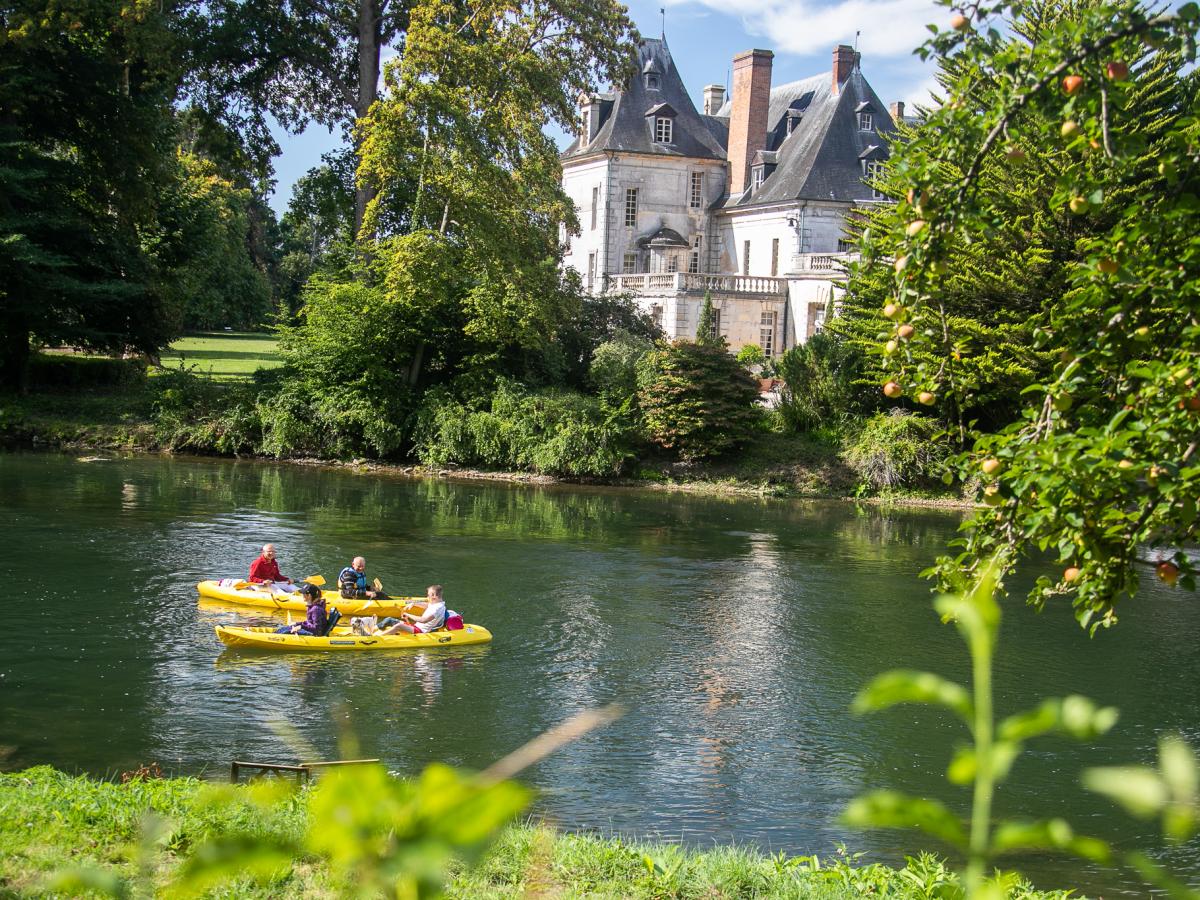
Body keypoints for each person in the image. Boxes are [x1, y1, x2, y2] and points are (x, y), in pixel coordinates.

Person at [378, 585, 446, 635]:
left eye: (428, 595)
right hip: (415, 626)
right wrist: (414, 603)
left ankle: (378, 638)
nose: (427, 597)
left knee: (398, 626)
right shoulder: (435, 603)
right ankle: (373, 630)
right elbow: (427, 605)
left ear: (434, 596)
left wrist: (408, 614)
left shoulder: (438, 608)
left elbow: (423, 620)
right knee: (389, 619)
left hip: (420, 631)